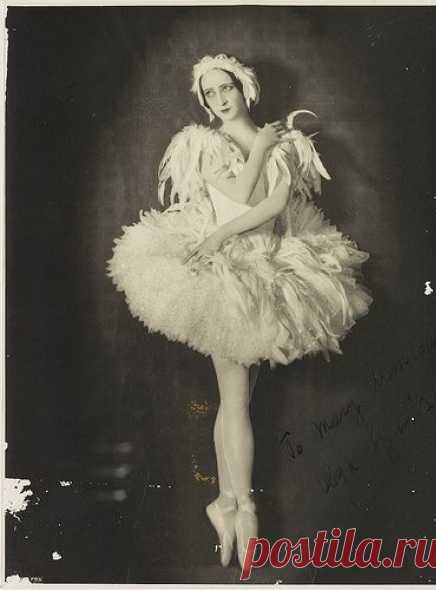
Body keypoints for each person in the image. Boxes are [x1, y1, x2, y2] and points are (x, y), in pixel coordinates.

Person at [106, 53, 373, 569]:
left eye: (225, 87)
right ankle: (245, 510)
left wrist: (271, 147)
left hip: (269, 268)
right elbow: (238, 195)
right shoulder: (203, 144)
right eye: (209, 93)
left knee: (238, 398)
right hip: (224, 273)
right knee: (234, 398)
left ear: (244, 87)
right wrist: (223, 229)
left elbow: (274, 207)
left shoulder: (285, 143)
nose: (218, 99)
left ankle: (224, 501)